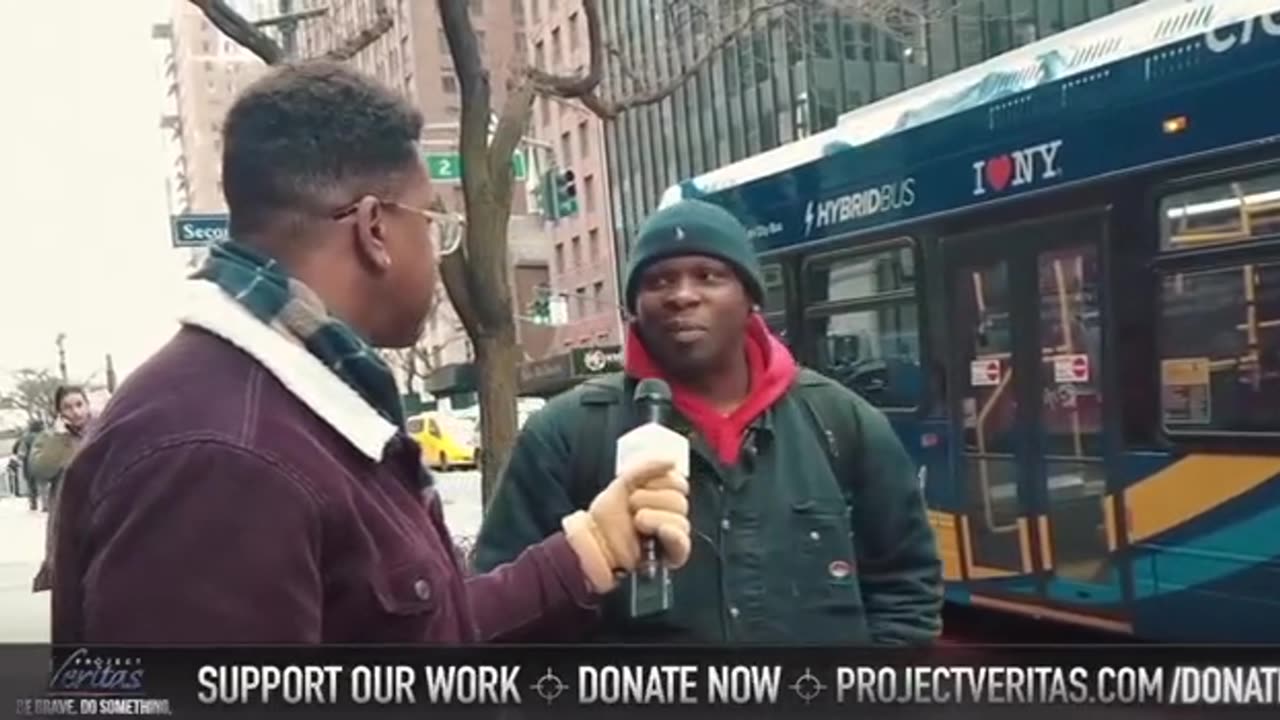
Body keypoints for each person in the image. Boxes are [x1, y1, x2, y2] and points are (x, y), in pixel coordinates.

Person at [50, 61, 691, 643]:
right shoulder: (221, 457)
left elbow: (424, 636)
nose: (439, 253)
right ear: (374, 229)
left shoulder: (290, 408)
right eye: (434, 223)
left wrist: (595, 547)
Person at [474, 199, 943, 644]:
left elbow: (905, 587)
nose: (682, 296)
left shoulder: (842, 423)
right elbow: (500, 612)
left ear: (750, 298)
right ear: (634, 307)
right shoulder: (564, 435)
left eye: (708, 275)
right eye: (658, 281)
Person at [30, 386, 92, 592]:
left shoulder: (100, 431)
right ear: (59, 413)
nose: (75, 412)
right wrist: (59, 439)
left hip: (99, 511)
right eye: (68, 407)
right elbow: (41, 469)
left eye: (79, 405)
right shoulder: (49, 439)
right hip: (68, 515)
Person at [12, 419, 45, 511]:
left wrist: (19, 459)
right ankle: (45, 504)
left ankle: (33, 504)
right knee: (43, 485)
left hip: (29, 464)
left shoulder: (26, 437)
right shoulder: (46, 436)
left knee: (31, 485)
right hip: (44, 463)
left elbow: (21, 452)